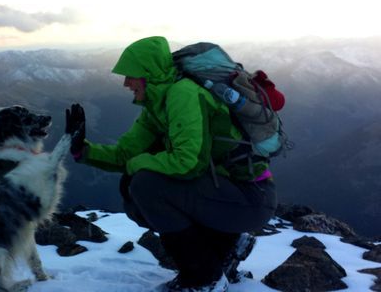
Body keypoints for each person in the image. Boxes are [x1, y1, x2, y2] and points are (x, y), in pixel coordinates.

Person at [65, 36, 277, 292]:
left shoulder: (183, 94)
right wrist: (82, 149)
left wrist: (138, 164)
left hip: (250, 198)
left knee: (146, 185)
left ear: (147, 73)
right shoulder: (157, 105)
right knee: (135, 184)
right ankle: (225, 245)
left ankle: (204, 278)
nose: (125, 83)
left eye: (129, 75)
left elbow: (188, 164)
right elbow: (125, 154)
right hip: (228, 195)